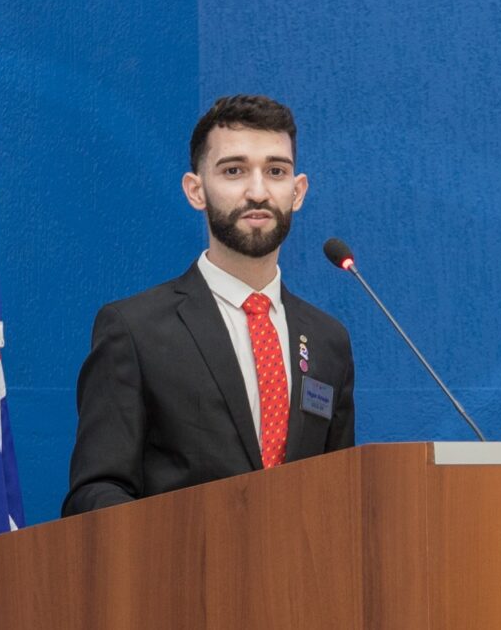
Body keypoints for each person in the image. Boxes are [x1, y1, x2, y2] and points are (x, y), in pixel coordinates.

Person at [62, 95, 355, 515]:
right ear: (196, 190)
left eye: (276, 171)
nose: (258, 191)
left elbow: (341, 492)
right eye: (234, 171)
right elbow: (96, 493)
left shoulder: (329, 340)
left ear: (298, 190)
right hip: (180, 575)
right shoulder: (135, 330)